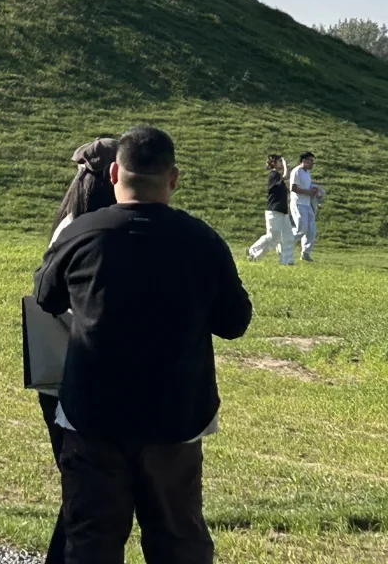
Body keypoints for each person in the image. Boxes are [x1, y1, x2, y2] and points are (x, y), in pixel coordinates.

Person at [34, 126, 252, 564]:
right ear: (173, 178)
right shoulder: (202, 241)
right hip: (175, 420)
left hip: (91, 418)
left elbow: (45, 297)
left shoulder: (82, 234)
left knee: (91, 543)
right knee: (178, 542)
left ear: (114, 172)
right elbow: (235, 322)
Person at [32, 138, 118, 564]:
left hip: (67, 371)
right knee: (82, 490)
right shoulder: (85, 230)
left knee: (81, 489)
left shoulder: (72, 223)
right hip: (73, 370)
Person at [246, 154, 294, 266]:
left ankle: (287, 260)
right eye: (279, 161)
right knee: (272, 237)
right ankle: (253, 251)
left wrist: (286, 166)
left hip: (282, 211)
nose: (281, 164)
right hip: (274, 210)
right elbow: (286, 176)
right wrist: (286, 165)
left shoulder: (277, 176)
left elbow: (286, 177)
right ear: (273, 164)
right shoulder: (274, 175)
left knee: (287, 236)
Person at [288, 152, 318, 262]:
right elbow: (293, 188)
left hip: (307, 204)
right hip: (298, 203)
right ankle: (285, 242)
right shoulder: (297, 171)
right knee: (301, 229)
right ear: (304, 161)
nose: (312, 163)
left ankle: (305, 253)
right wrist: (308, 192)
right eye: (310, 160)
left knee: (311, 230)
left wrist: (314, 189)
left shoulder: (307, 173)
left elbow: (306, 186)